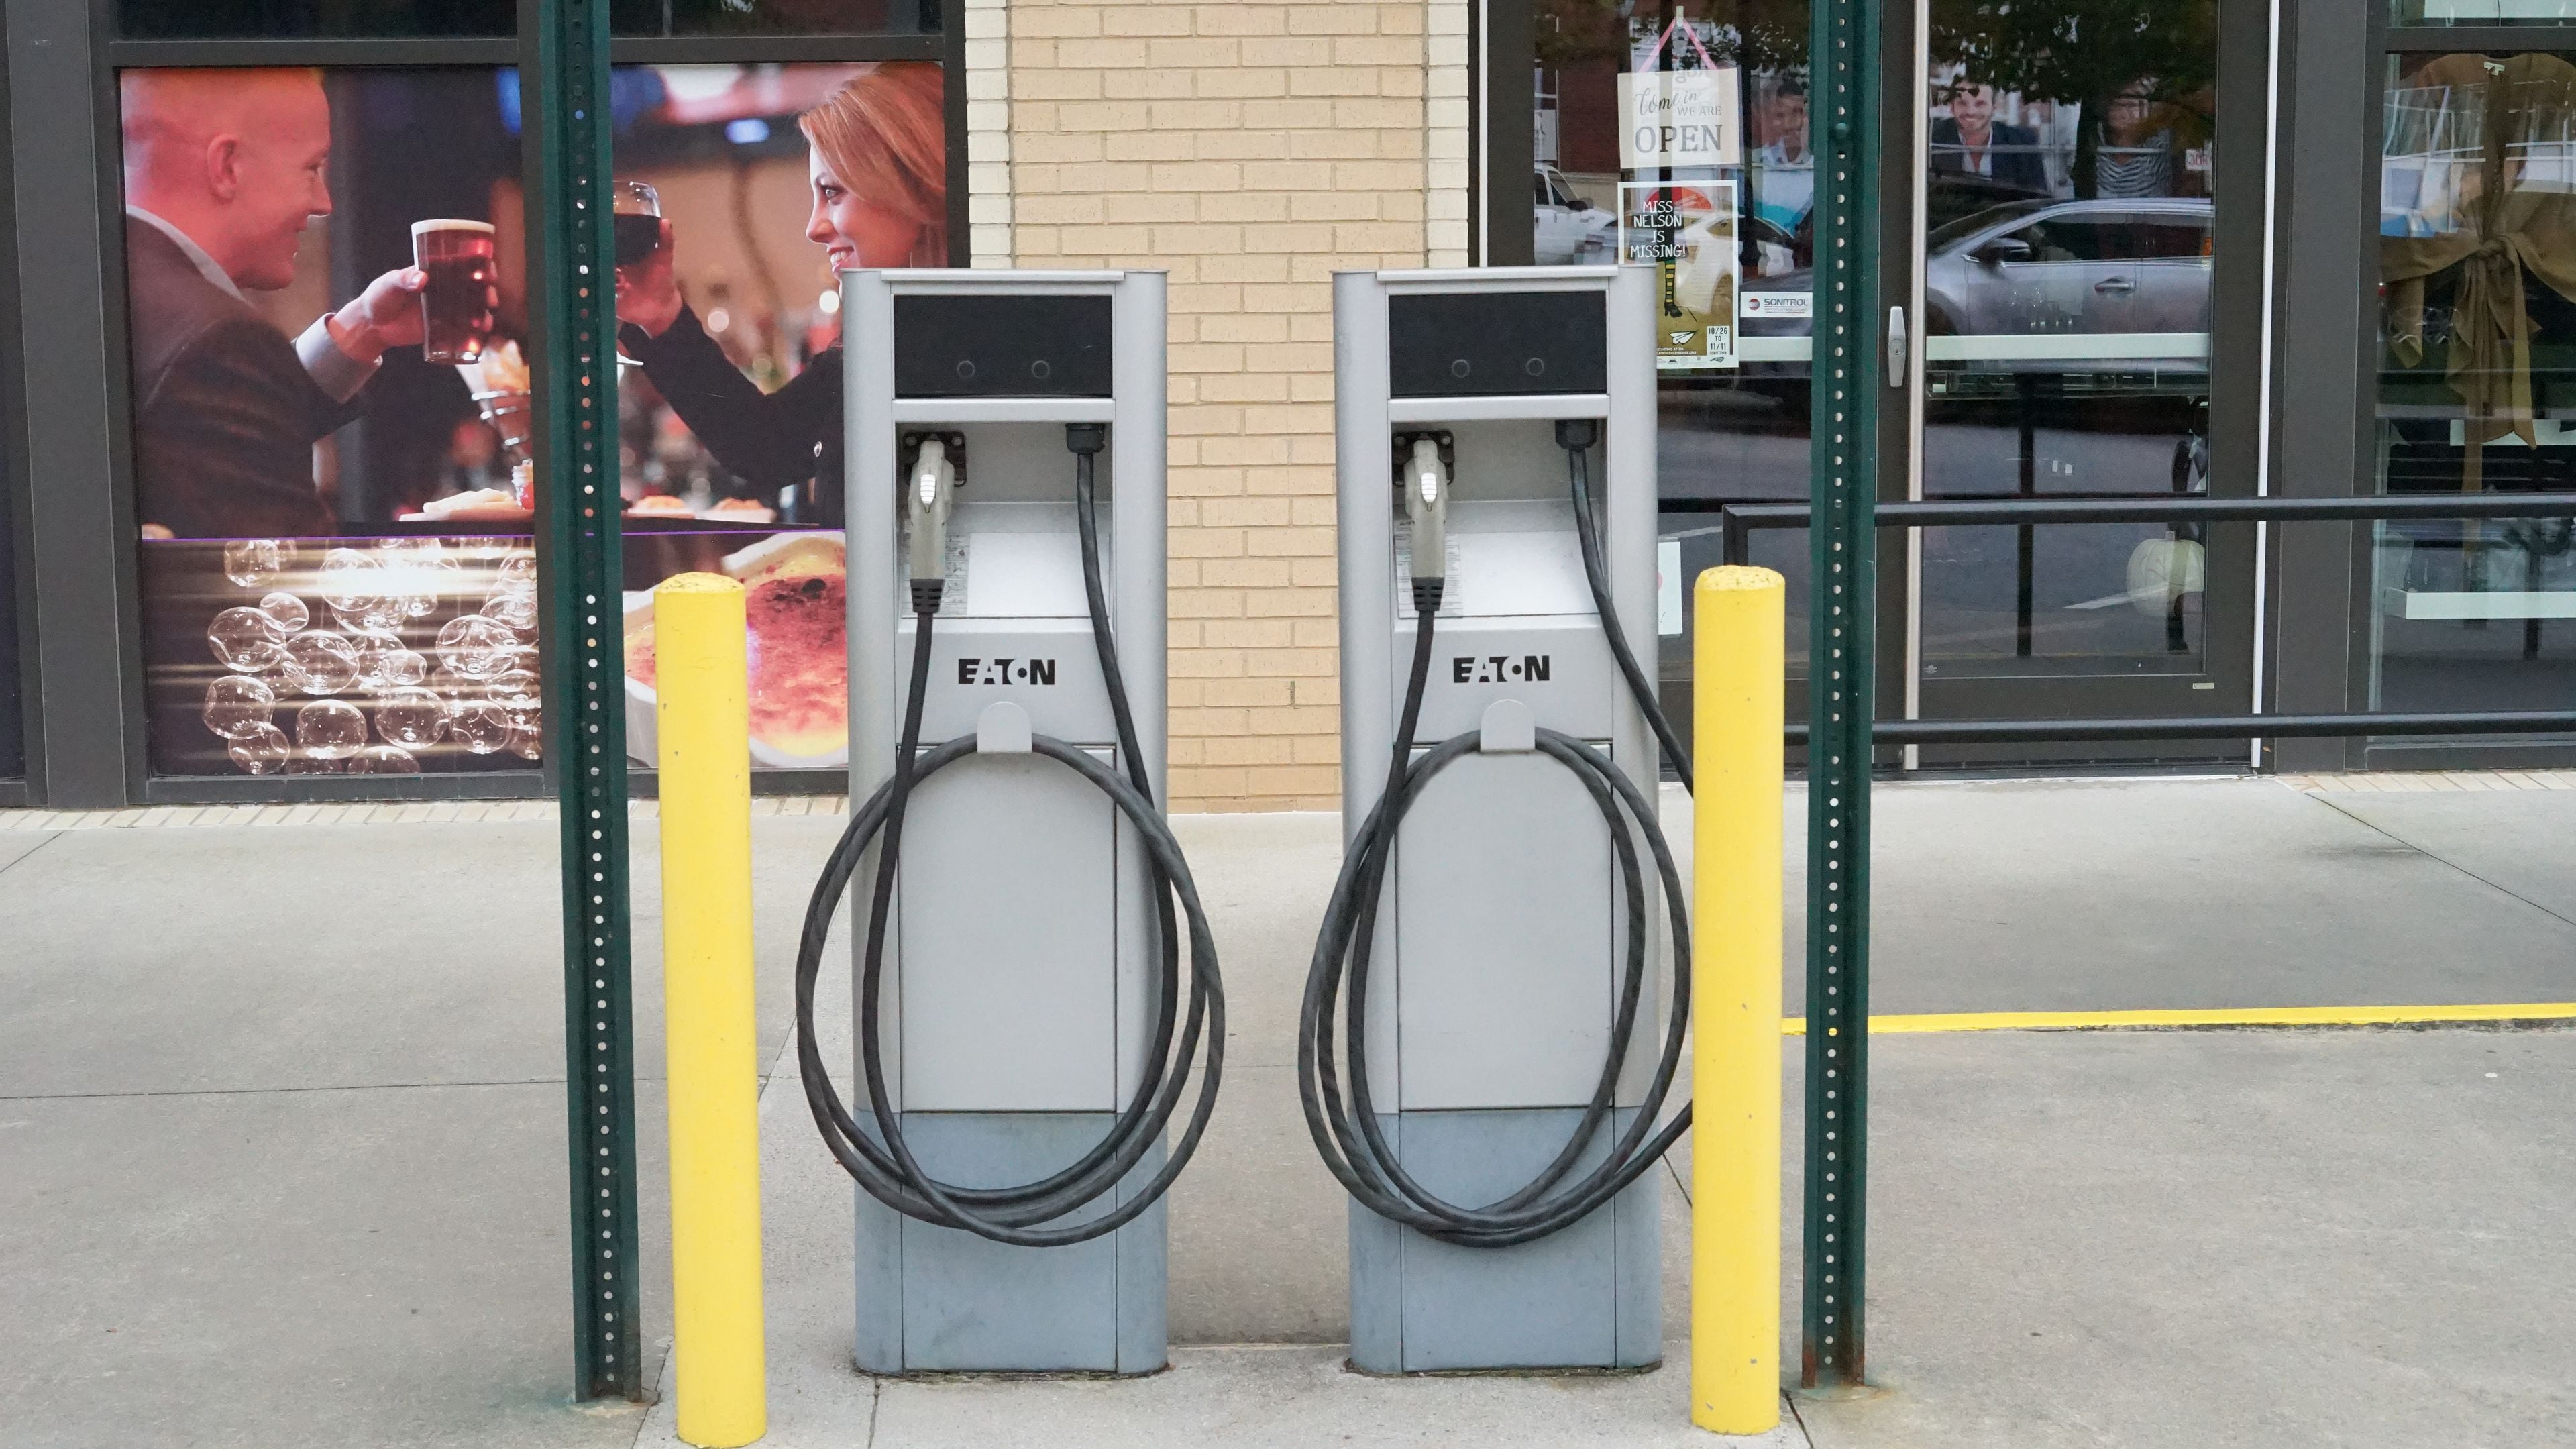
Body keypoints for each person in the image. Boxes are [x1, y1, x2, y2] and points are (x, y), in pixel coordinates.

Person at [615, 64, 948, 528]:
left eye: (832, 193)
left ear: (914, 185)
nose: (814, 228)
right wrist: (661, 316)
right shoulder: (877, 345)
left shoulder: (959, 353)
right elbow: (766, 446)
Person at [119, 68, 431, 539]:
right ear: (227, 167)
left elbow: (206, 443)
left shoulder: (112, 281)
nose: (324, 202)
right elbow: (289, 592)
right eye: (312, 169)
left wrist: (364, 329)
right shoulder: (213, 337)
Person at [1930, 80, 2053, 198]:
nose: (1970, 111)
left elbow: (2037, 200)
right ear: (1952, 107)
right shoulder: (1930, 137)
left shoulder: (2022, 142)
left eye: (1980, 104)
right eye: (1962, 103)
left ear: (1994, 108)